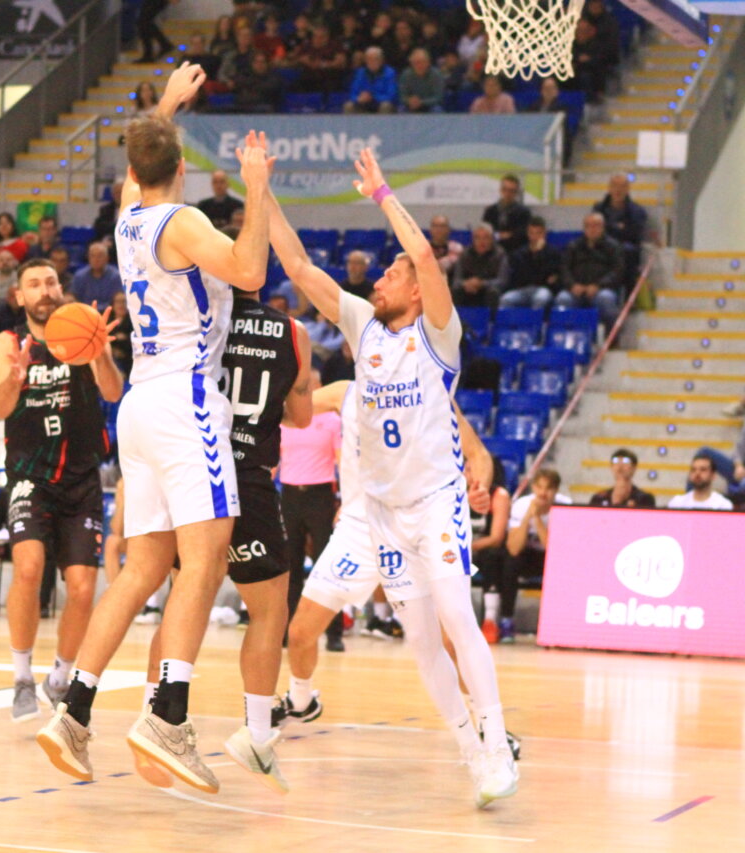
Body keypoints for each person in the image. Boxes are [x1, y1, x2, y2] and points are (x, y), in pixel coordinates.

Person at [36, 63, 270, 794]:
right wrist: (257, 184)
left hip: (137, 404)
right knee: (207, 556)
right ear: (183, 166)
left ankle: (72, 710)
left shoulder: (126, 216)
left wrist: (164, 107)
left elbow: (139, 173)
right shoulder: (184, 220)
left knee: (143, 569)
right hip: (186, 399)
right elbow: (251, 270)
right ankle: (167, 714)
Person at [266, 144, 519, 807]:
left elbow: (428, 257)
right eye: (381, 271)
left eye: (391, 272)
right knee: (420, 641)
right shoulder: (361, 327)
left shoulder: (438, 333)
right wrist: (260, 193)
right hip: (379, 513)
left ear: (414, 289)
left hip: (434, 501)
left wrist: (382, 194)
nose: (380, 277)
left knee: (458, 619)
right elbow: (297, 265)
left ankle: (496, 746)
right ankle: (468, 745)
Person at [140, 282, 311, 792]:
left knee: (183, 596)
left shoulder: (194, 320)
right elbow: (301, 416)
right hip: (249, 476)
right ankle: (257, 734)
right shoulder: (291, 331)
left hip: (192, 468)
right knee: (269, 609)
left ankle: (155, 715)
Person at [0, 258, 123, 722]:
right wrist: (15, 376)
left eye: (50, 282)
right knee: (28, 568)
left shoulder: (82, 331)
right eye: (34, 285)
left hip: (82, 478)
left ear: (61, 289)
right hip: (30, 477)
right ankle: (22, 677)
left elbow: (112, 393)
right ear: (19, 297)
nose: (44, 290)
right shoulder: (7, 343)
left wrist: (101, 351)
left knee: (83, 589)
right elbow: (0, 407)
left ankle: (59, 678)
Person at [279, 370, 342, 647]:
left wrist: (346, 500)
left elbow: (342, 460)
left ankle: (334, 634)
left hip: (320, 495)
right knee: (289, 567)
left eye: (309, 385)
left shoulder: (331, 420)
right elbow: (272, 463)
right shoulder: (284, 420)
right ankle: (284, 631)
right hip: (290, 495)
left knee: (324, 566)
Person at [502, 467, 573, 642]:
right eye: (539, 487)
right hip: (526, 556)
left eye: (548, 488)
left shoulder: (565, 506)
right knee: (509, 562)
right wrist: (528, 517)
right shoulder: (521, 505)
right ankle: (506, 620)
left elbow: (555, 550)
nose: (543, 493)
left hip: (550, 559)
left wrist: (538, 520)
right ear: (533, 487)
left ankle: (557, 624)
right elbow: (514, 548)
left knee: (565, 567)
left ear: (556, 491)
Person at [556, 212, 623, 327]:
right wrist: (572, 285)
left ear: (602, 227)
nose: (592, 229)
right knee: (562, 299)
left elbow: (617, 271)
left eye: (596, 225)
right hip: (577, 291)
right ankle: (566, 335)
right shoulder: (573, 246)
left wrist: (598, 285)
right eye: (588, 226)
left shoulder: (613, 246)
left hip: (601, 290)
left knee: (606, 299)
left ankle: (611, 337)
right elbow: (564, 269)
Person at [473, 456, 512, 644]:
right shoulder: (453, 492)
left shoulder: (498, 495)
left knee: (493, 557)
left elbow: (496, 538)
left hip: (481, 551)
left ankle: (490, 620)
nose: (465, 472)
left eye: (470, 468)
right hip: (455, 550)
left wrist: (469, 547)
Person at [593, 173, 648, 286]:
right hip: (602, 247)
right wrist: (618, 228)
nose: (618, 190)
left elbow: (634, 235)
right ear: (609, 188)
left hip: (624, 250)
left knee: (628, 252)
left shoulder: (637, 211)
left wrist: (610, 228)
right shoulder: (599, 208)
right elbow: (595, 231)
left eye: (622, 186)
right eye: (614, 186)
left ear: (628, 189)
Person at [502, 216, 561, 310]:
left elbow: (551, 278)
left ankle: (536, 324)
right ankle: (511, 324)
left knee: (540, 298)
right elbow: (521, 276)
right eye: (532, 233)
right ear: (528, 234)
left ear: (544, 233)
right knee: (506, 299)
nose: (535, 237)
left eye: (538, 233)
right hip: (523, 289)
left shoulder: (553, 253)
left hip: (543, 289)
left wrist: (538, 254)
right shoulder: (519, 253)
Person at [451, 223, 508, 310]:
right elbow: (456, 281)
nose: (482, 241)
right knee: (454, 291)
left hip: (488, 290)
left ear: (492, 239)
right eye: (477, 237)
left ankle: (491, 322)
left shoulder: (500, 254)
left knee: (493, 293)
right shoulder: (465, 254)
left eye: (486, 237)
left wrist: (481, 284)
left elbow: (502, 280)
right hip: (467, 290)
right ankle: (455, 321)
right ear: (473, 239)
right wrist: (466, 283)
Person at [587, 448, 656, 508]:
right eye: (616, 462)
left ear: (634, 468)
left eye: (625, 462)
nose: (620, 466)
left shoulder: (645, 499)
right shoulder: (599, 498)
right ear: (611, 467)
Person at [483, 175, 533, 255]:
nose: (507, 193)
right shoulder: (490, 211)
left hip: (515, 252)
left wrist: (504, 235)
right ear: (500, 190)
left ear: (516, 192)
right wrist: (500, 235)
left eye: (511, 190)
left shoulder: (524, 212)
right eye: (505, 189)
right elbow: (486, 233)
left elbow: (523, 235)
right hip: (493, 252)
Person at [667, 454, 734, 510]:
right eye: (693, 470)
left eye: (703, 469)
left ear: (713, 475)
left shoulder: (723, 505)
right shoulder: (677, 503)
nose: (697, 473)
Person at [345, 46, 397, 113]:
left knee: (385, 105)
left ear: (381, 60)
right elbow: (352, 93)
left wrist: (373, 97)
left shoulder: (390, 73)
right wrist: (358, 98)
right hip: (363, 103)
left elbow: (392, 96)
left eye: (375, 59)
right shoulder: (360, 73)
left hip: (380, 103)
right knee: (349, 106)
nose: (371, 62)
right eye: (368, 59)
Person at [71, 242, 123, 308]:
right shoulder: (79, 276)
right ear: (88, 258)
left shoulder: (116, 276)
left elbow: (119, 296)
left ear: (107, 258)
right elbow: (73, 296)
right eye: (92, 256)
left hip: (110, 311)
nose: (96, 259)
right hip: (85, 312)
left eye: (100, 256)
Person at [399, 48, 445, 113]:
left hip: (430, 105)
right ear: (411, 63)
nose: (419, 65)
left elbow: (439, 97)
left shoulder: (436, 75)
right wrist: (409, 100)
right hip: (411, 105)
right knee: (401, 109)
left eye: (423, 62)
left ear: (428, 62)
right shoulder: (406, 75)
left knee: (437, 110)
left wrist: (421, 102)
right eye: (416, 62)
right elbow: (402, 96)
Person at [216, 24, 257, 89]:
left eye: (248, 35)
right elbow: (221, 74)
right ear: (238, 38)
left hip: (251, 85)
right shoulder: (229, 56)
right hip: (234, 84)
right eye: (243, 35)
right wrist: (228, 81)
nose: (245, 38)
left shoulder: (256, 55)